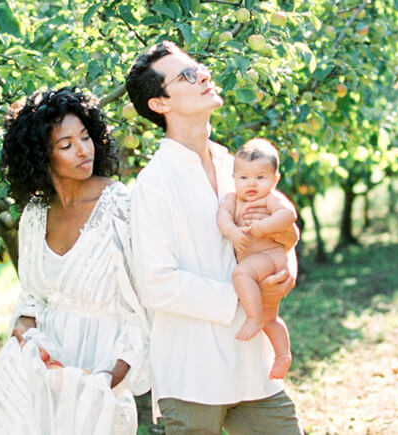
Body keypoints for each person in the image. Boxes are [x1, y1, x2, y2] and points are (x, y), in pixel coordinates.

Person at [126, 41, 303, 434]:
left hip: (252, 363)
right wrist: (241, 297)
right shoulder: (154, 184)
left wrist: (282, 271)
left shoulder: (234, 165)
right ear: (160, 104)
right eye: (186, 75)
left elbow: (279, 230)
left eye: (200, 68)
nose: (203, 76)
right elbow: (157, 284)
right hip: (193, 371)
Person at [0, 87, 150, 434]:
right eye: (66, 145)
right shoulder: (35, 213)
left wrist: (107, 380)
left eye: (86, 137)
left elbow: (143, 308)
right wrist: (35, 350)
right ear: (40, 156)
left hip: (100, 379)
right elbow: (29, 301)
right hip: (42, 378)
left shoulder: (122, 207)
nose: (83, 150)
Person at [217, 138, 297, 380]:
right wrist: (232, 232)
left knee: (241, 274)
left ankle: (253, 318)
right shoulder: (233, 200)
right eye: (244, 178)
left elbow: (288, 215)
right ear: (234, 178)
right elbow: (223, 217)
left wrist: (264, 227)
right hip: (258, 264)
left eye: (261, 177)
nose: (251, 184)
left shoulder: (270, 199)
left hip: (270, 257)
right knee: (272, 318)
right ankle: (283, 355)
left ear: (275, 179)